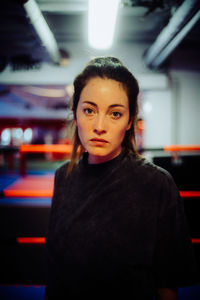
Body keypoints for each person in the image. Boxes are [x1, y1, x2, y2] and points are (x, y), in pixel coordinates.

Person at [45, 57, 198, 299]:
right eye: (89, 110)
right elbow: (56, 270)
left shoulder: (156, 183)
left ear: (129, 121)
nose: (99, 125)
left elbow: (167, 282)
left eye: (115, 114)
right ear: (75, 115)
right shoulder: (64, 176)